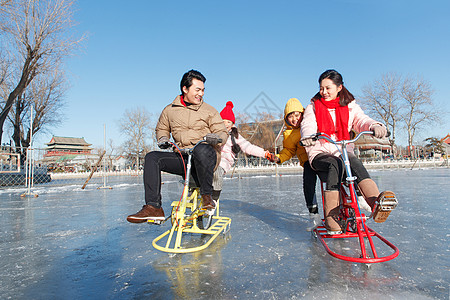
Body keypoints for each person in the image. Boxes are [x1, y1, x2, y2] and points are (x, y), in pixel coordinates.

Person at [300, 69, 397, 234]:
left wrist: (374, 126)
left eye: (328, 88)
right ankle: (332, 216)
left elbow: (361, 120)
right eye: (321, 88)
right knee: (335, 164)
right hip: (319, 153)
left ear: (339, 87)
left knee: (354, 162)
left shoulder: (349, 105)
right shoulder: (313, 106)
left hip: (342, 150)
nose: (323, 92)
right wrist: (309, 136)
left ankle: (376, 204)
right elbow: (308, 124)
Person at [127, 70, 228, 223]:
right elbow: (162, 128)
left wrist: (217, 138)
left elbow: (222, 131)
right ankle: (153, 207)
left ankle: (207, 197)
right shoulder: (170, 110)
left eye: (203, 90)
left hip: (206, 157)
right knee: (152, 157)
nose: (201, 93)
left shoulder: (209, 110)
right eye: (197, 89)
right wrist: (162, 138)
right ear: (185, 89)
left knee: (201, 149)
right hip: (184, 157)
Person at [268, 98, 320, 231]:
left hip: (320, 156)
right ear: (286, 119)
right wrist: (278, 158)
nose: (294, 119)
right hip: (308, 163)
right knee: (308, 184)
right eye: (290, 116)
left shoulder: (311, 124)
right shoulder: (289, 134)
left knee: (335, 179)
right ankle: (313, 214)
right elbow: (289, 150)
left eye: (297, 115)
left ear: (302, 114)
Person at [212, 101, 275, 201]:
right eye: (223, 121)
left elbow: (249, 147)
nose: (226, 124)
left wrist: (265, 154)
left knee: (217, 171)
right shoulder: (214, 132)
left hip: (224, 160)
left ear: (232, 124)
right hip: (213, 157)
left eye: (228, 122)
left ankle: (214, 198)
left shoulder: (235, 137)